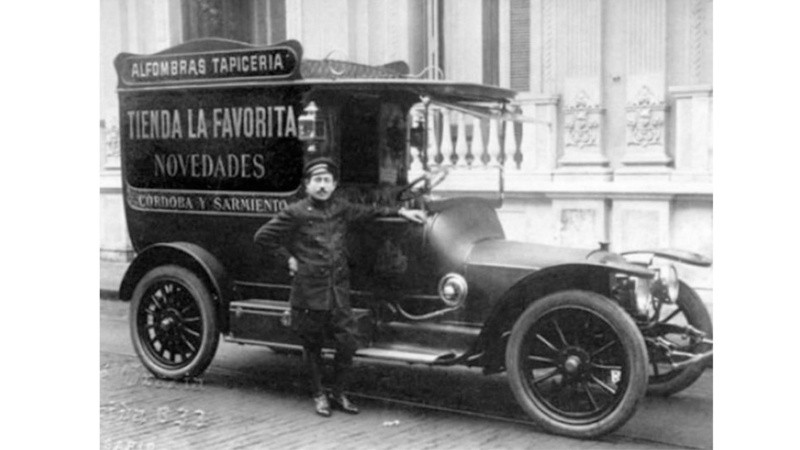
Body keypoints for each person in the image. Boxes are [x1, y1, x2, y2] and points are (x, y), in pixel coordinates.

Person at [253, 157, 426, 417]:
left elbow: (370, 211)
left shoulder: (341, 208)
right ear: (307, 185)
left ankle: (338, 393)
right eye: (317, 181)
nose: (322, 186)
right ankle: (319, 395)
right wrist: (288, 258)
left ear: (334, 185)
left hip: (337, 289)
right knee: (312, 346)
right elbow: (263, 236)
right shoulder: (296, 212)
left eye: (327, 181)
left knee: (348, 342)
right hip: (310, 290)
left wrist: (400, 212)